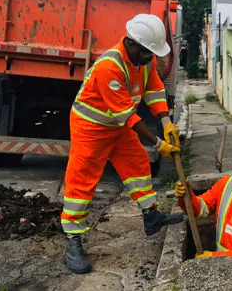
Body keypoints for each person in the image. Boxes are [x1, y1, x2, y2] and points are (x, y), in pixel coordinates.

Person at [61, 14, 185, 274]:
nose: (151, 58)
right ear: (131, 43)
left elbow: (153, 90)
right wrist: (158, 142)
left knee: (138, 164)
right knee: (82, 180)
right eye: (147, 52)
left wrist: (166, 121)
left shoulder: (143, 62)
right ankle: (73, 239)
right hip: (91, 127)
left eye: (153, 53)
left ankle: (151, 216)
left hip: (116, 126)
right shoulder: (110, 65)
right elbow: (127, 115)